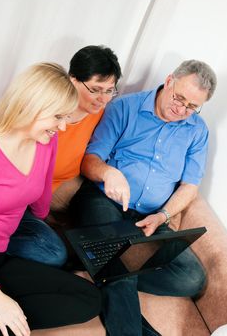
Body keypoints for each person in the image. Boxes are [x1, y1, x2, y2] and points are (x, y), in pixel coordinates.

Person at [69, 59, 217, 335]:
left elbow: (190, 186)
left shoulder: (197, 130)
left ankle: (98, 263)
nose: (181, 109)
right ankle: (109, 267)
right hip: (104, 202)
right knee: (122, 263)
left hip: (150, 218)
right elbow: (90, 161)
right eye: (179, 98)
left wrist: (163, 216)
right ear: (170, 80)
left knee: (191, 278)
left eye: (191, 106)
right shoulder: (124, 107)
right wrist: (108, 173)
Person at [0, 62, 101, 336]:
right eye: (58, 117)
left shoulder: (46, 140)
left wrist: (42, 225)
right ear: (32, 105)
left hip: (1, 252)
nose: (63, 127)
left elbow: (41, 192)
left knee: (90, 299)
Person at [51, 45, 122, 212]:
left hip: (73, 186)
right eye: (95, 90)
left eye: (109, 91)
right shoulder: (50, 111)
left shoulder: (102, 114)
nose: (103, 99)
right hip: (34, 189)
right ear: (73, 79)